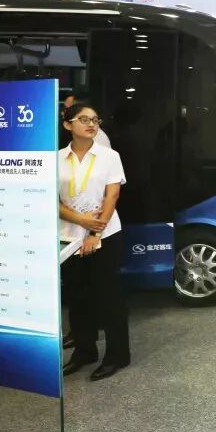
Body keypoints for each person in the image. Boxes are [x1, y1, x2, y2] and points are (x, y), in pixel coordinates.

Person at [59, 102, 130, 381]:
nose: (91, 124)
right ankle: (84, 351)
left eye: (95, 119)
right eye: (83, 119)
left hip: (105, 235)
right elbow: (51, 200)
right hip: (68, 237)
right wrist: (81, 221)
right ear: (68, 125)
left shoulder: (109, 156)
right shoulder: (55, 159)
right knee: (77, 299)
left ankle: (117, 355)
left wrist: (94, 233)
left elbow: (112, 196)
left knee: (109, 298)